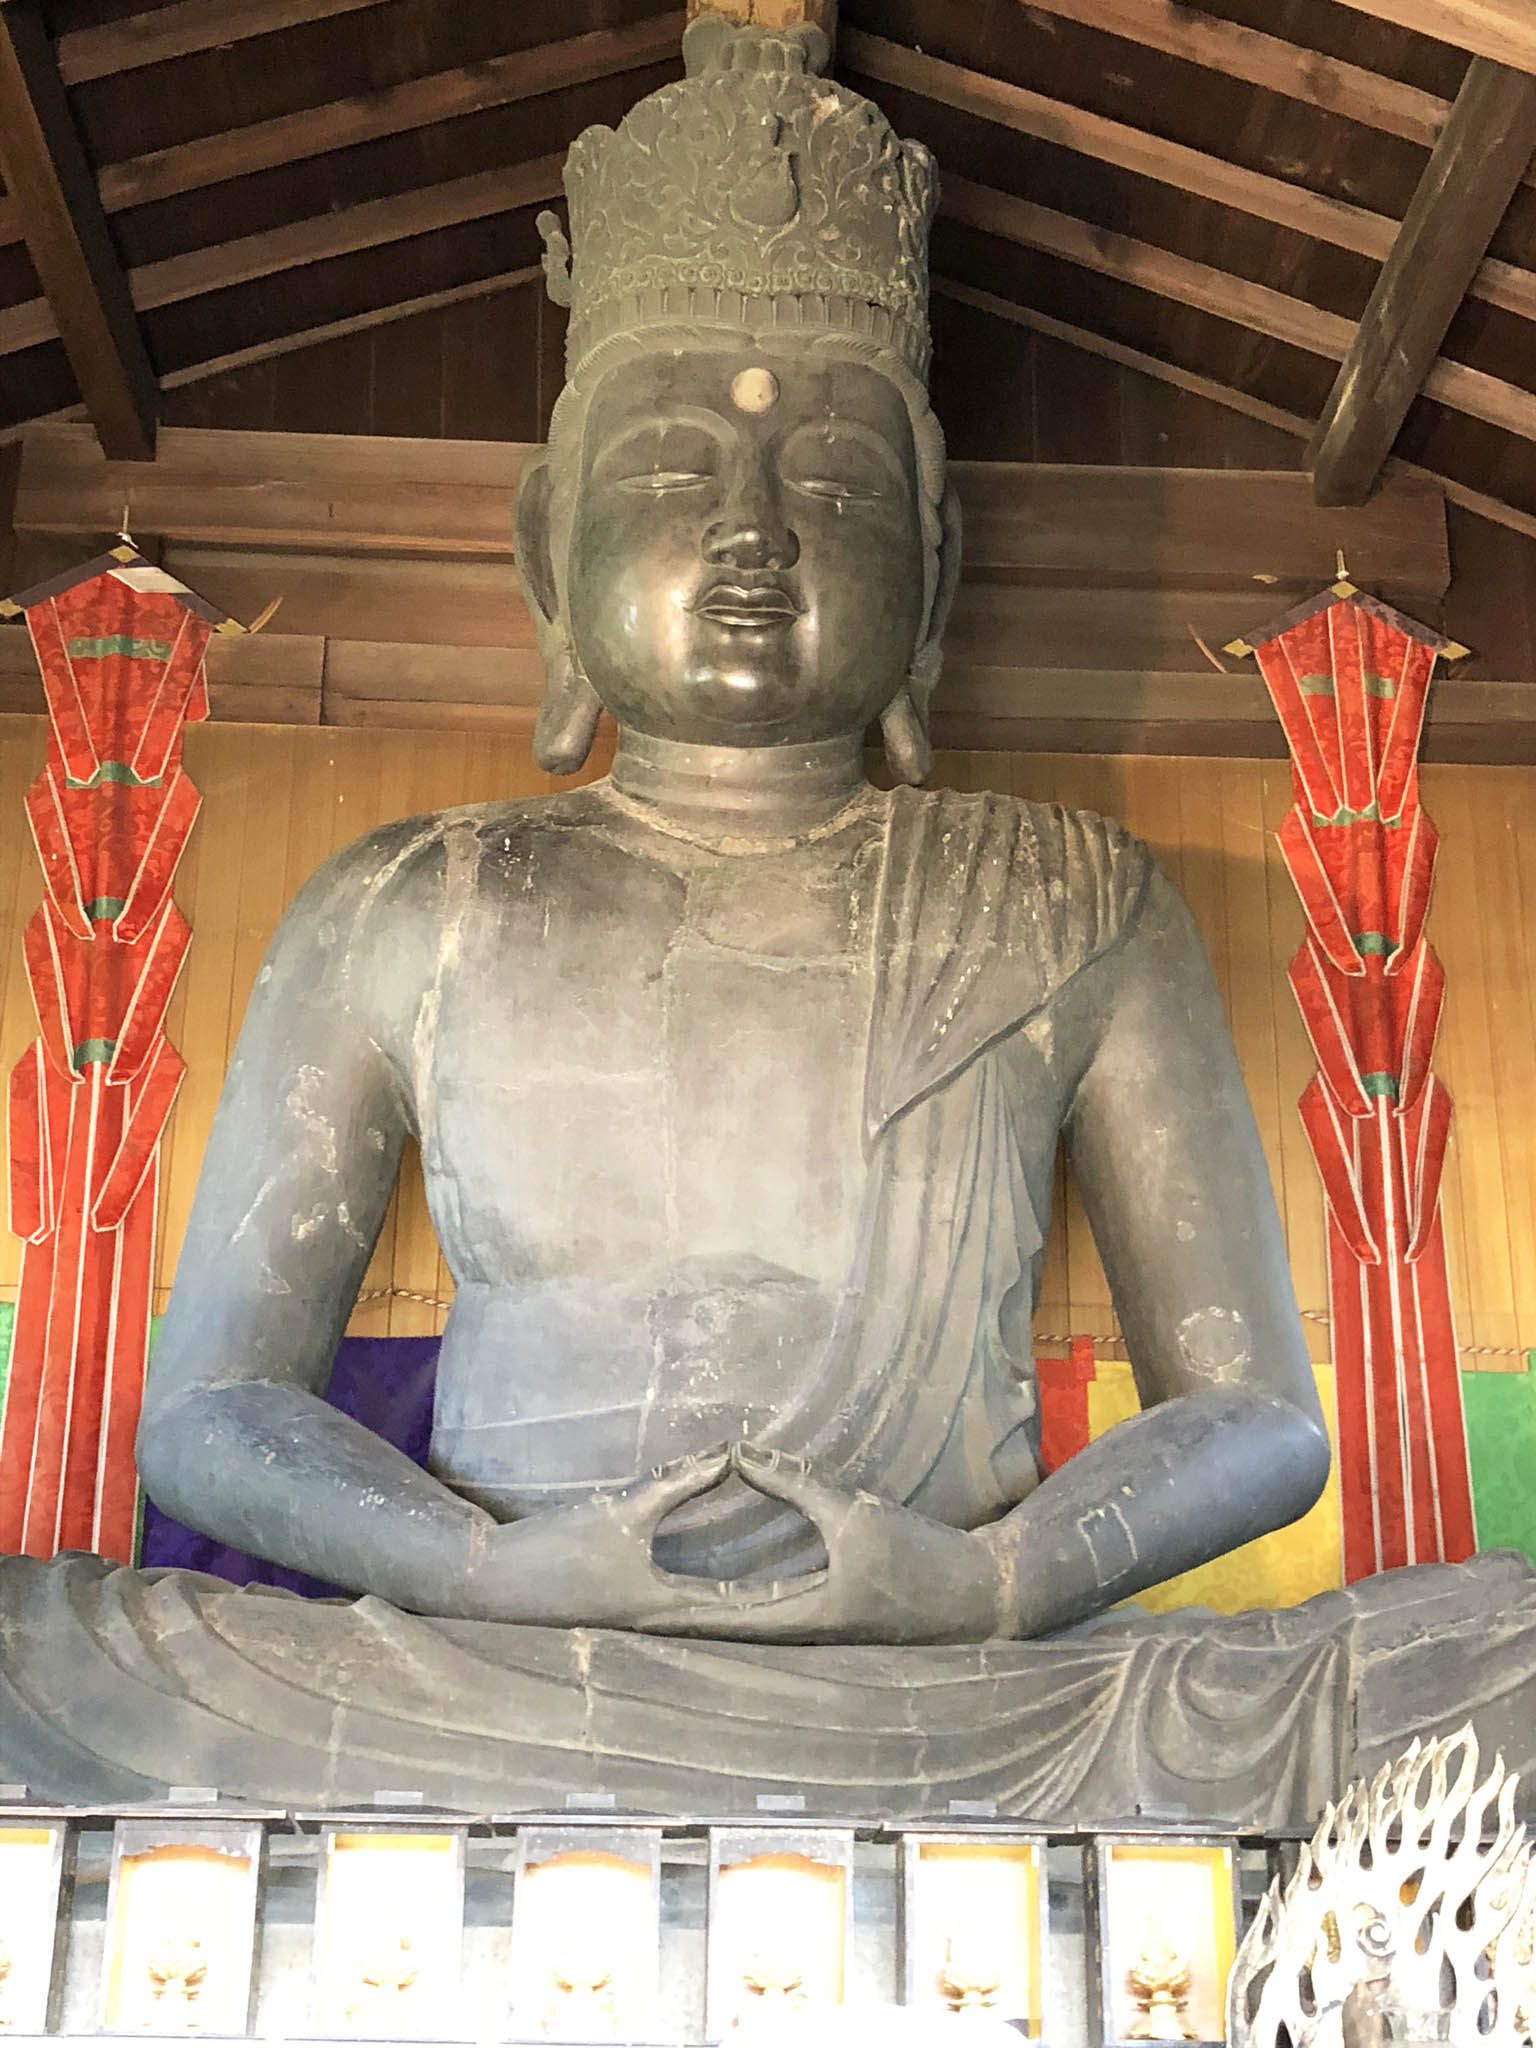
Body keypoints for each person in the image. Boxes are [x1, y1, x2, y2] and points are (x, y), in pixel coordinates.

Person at [132, 16, 1328, 1648]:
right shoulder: (407, 904)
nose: (753, 532)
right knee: (50, 1646)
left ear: (935, 571)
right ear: (551, 552)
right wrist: (482, 1570)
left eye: (830, 482)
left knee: (1480, 1655)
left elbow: (1258, 1414)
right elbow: (211, 1411)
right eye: (674, 474)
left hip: (944, 1686)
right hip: (513, 1664)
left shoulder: (1070, 902)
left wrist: (996, 1579)